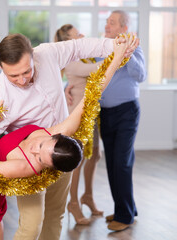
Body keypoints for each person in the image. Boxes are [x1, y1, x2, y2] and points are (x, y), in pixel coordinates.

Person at [0, 32, 139, 239]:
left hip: (60, 148)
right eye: (13, 76)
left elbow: (80, 50)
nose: (22, 80)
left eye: (26, 71)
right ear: (0, 65)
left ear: (33, 55)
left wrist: (115, 46)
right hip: (28, 161)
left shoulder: (47, 54)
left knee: (55, 215)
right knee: (31, 226)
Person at [99, 10, 146, 231]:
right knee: (113, 163)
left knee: (121, 162)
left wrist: (128, 55)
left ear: (124, 29)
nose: (107, 26)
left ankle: (125, 216)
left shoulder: (134, 48)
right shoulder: (102, 48)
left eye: (112, 23)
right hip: (105, 113)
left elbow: (141, 76)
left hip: (127, 111)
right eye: (107, 22)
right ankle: (125, 209)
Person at [55, 24, 104, 225]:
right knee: (78, 161)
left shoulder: (83, 56)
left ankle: (88, 197)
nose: (83, 35)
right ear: (69, 41)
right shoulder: (72, 61)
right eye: (78, 34)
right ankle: (73, 203)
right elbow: (99, 69)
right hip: (79, 116)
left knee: (96, 155)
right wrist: (118, 54)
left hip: (91, 114)